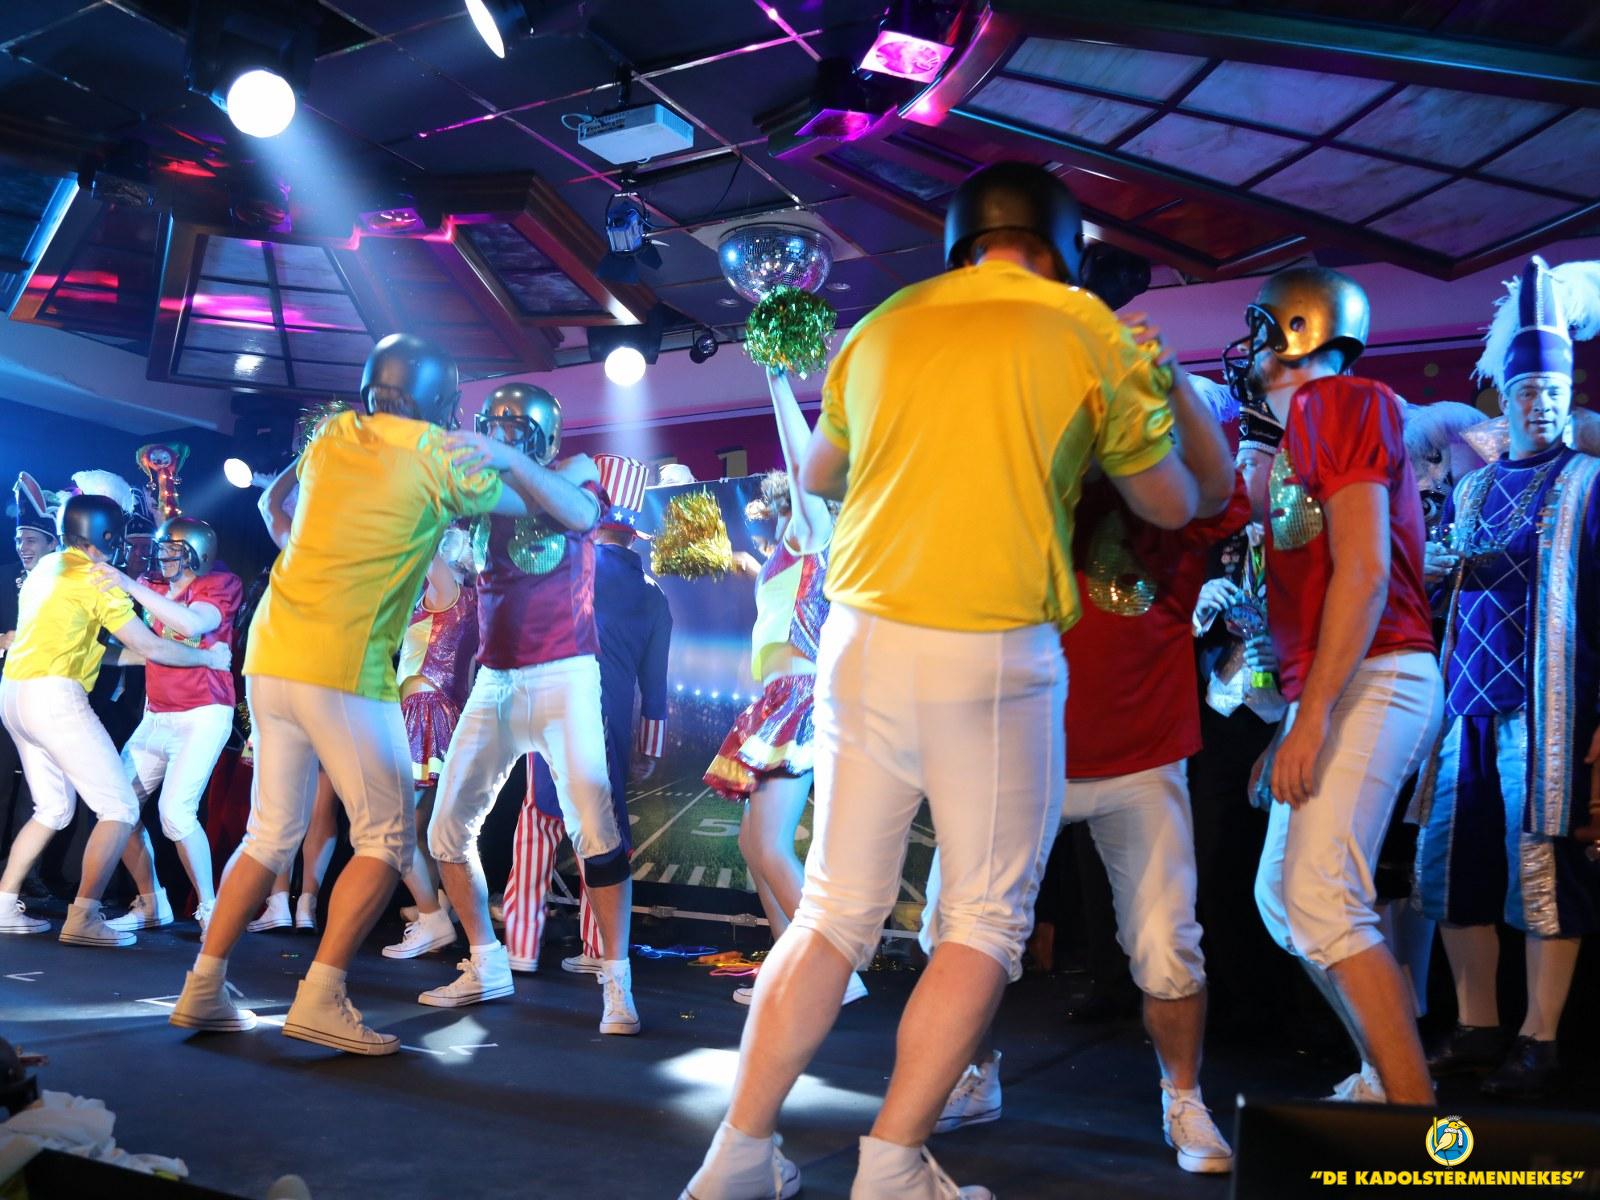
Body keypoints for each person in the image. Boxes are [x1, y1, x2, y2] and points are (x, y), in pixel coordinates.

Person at [682, 161, 1233, 1200]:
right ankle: (891, 1163)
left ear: (958, 241)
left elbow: (820, 475)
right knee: (982, 921)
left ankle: (737, 1156)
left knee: (832, 912)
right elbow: (1174, 505)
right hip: (990, 645)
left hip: (859, 638)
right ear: (1059, 248)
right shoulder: (1087, 328)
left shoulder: (883, 322)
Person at [167, 333, 534, 1054]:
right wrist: (521, 459)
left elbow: (273, 501)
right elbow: (535, 508)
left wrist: (306, 545)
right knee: (387, 836)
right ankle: (322, 996)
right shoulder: (435, 453)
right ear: (441, 399)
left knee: (269, 833)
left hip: (271, 651)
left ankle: (203, 984)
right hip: (342, 665)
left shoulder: (336, 432)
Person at [930, 454, 1250, 1175]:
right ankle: (974, 1072)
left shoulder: (1166, 490)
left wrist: (1164, 398)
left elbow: (1229, 493)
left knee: (1169, 946)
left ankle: (1184, 1097)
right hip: (1020, 758)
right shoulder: (1018, 478)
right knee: (955, 931)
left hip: (1141, 757)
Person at [1229, 267, 1443, 1106]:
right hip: (1350, 675)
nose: (1249, 348)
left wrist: (1311, 716)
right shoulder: (1305, 427)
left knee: (1322, 897)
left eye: (1260, 329)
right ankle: (1384, 1080)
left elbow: (1363, 573)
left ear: (1295, 329)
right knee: (1286, 900)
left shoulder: (1340, 401)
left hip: (1377, 670)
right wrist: (1297, 720)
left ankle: (1418, 1126)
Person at [1413, 256, 1600, 1101]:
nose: (1542, 404)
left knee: (1546, 874)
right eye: (1527, 391)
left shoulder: (1590, 482)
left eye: (1554, 390)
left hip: (1551, 709)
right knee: (1454, 872)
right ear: (1504, 396)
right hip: (1466, 710)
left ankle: (1540, 1039)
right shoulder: (1472, 489)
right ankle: (1477, 1025)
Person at [422, 384, 641, 1037]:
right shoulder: (484, 492)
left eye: (514, 427)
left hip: (565, 672)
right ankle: (487, 961)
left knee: (595, 829)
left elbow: (578, 511)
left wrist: (504, 461)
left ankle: (617, 981)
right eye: (494, 426)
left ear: (542, 435)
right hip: (496, 678)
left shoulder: (575, 473)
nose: (502, 435)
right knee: (445, 830)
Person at [0, 494, 231, 942]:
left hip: (14, 694)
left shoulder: (46, 566)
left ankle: (5, 902)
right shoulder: (95, 578)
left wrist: (160, 656)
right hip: (54, 697)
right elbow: (151, 645)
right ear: (106, 535)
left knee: (53, 808)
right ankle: (83, 917)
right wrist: (207, 659)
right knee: (120, 807)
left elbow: (112, 651)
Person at [702, 373, 863, 1006]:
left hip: (798, 699)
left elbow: (802, 466)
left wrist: (773, 378)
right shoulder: (794, 549)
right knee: (754, 843)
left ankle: (832, 973)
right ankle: (788, 966)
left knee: (769, 844)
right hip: (779, 698)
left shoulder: (813, 534)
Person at [500, 453, 672, 975]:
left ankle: (522, 945)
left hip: (554, 711)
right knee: (601, 835)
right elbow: (655, 688)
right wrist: (648, 750)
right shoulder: (653, 597)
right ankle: (599, 948)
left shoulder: (566, 567)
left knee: (537, 825)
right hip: (609, 728)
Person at [94, 517, 243, 936]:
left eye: (173, 551)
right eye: (161, 550)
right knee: (118, 807)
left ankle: (211, 909)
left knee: (175, 813)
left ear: (197, 554)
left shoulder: (220, 583)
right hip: (156, 714)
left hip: (203, 713)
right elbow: (145, 648)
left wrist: (128, 584)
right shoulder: (152, 585)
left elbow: (191, 624)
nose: (163, 558)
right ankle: (150, 902)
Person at [247, 423, 344, 935]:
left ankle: (281, 902)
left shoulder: (300, 546)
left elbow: (268, 502)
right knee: (319, 803)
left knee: (279, 804)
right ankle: (303, 903)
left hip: (288, 678)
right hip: (334, 683)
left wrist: (307, 456)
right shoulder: (355, 551)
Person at [382, 527, 477, 959]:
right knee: (420, 828)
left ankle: (431, 915)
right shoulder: (453, 600)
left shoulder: (449, 595)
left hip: (426, 712)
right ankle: (435, 909)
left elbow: (424, 543)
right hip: (429, 713)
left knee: (396, 825)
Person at [0, 474, 60, 897]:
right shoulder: (3, 578)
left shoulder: (64, 585)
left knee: (41, 793)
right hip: (5, 697)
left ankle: (24, 874)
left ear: (52, 544)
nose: (22, 547)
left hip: (48, 699)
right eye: (19, 539)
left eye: (31, 540)